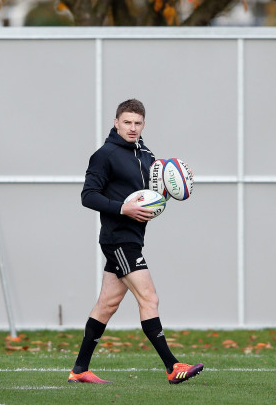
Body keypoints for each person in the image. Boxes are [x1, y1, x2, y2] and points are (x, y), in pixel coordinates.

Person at [69, 99, 203, 385]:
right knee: (149, 298)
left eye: (137, 123)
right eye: (127, 122)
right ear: (116, 122)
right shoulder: (104, 155)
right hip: (118, 239)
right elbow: (88, 196)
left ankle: (79, 370)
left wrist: (176, 181)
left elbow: (153, 192)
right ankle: (173, 366)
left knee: (107, 304)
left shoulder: (145, 154)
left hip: (133, 238)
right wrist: (123, 208)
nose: (132, 127)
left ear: (143, 125)